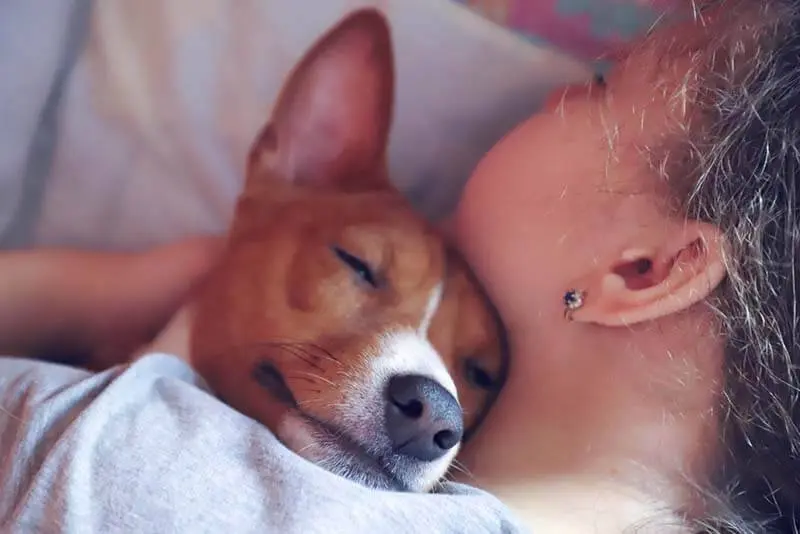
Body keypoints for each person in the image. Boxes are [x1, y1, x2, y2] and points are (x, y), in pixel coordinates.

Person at [1, 1, 799, 533]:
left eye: (598, 88)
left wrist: (108, 294)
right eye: (358, 265)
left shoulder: (112, 466)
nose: (553, 94)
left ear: (645, 268)